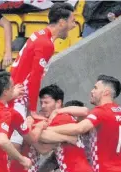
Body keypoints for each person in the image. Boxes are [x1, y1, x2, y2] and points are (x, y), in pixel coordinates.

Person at [10, 2, 76, 133]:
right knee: (16, 142)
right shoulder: (46, 44)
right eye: (72, 21)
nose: (74, 25)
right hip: (19, 97)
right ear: (62, 22)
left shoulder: (40, 34)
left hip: (15, 91)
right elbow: (35, 77)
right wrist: (33, 110)